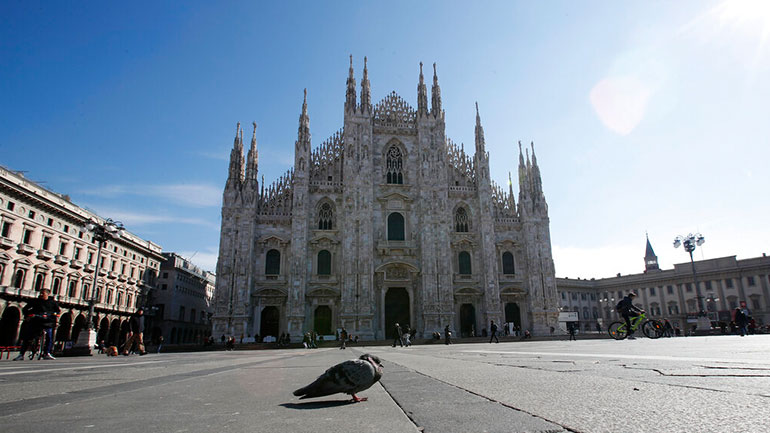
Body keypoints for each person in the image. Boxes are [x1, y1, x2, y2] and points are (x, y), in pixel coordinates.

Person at [14, 288, 60, 360]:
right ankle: (21, 354)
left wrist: (54, 315)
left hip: (47, 322)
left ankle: (47, 353)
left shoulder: (52, 302)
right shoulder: (35, 301)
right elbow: (25, 309)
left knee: (49, 337)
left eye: (43, 293)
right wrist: (28, 316)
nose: (41, 295)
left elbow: (57, 311)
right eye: (40, 293)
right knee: (28, 337)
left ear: (48, 294)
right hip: (36, 321)